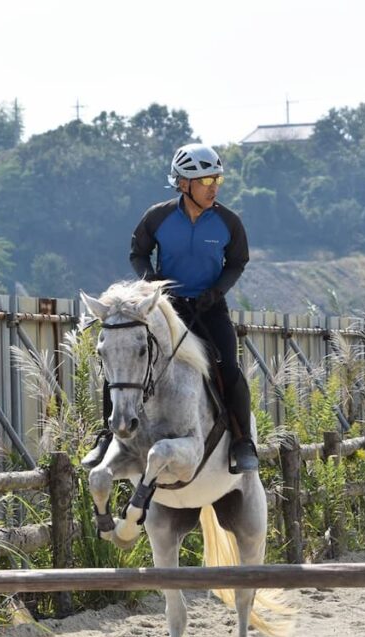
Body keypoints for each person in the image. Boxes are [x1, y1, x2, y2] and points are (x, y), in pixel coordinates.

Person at [129, 142, 258, 472]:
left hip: (210, 307)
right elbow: (138, 254)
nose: (214, 188)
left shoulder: (229, 222)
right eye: (206, 181)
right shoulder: (157, 217)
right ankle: (108, 434)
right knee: (131, 360)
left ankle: (242, 442)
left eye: (218, 180)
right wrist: (153, 281)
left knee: (228, 365)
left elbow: (237, 262)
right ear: (184, 184)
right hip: (169, 309)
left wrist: (216, 291)